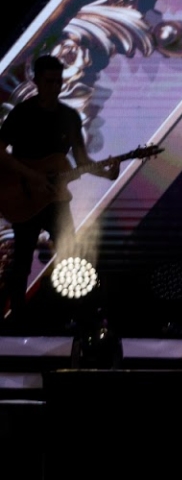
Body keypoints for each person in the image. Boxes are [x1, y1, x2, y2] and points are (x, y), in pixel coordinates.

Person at [0, 54, 119, 328]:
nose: (55, 86)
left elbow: (81, 160)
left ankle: (76, 317)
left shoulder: (69, 117)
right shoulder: (22, 114)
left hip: (56, 198)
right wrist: (32, 176)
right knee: (21, 263)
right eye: (49, 81)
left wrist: (107, 173)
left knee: (73, 255)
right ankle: (17, 323)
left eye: (58, 81)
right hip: (25, 196)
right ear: (37, 81)